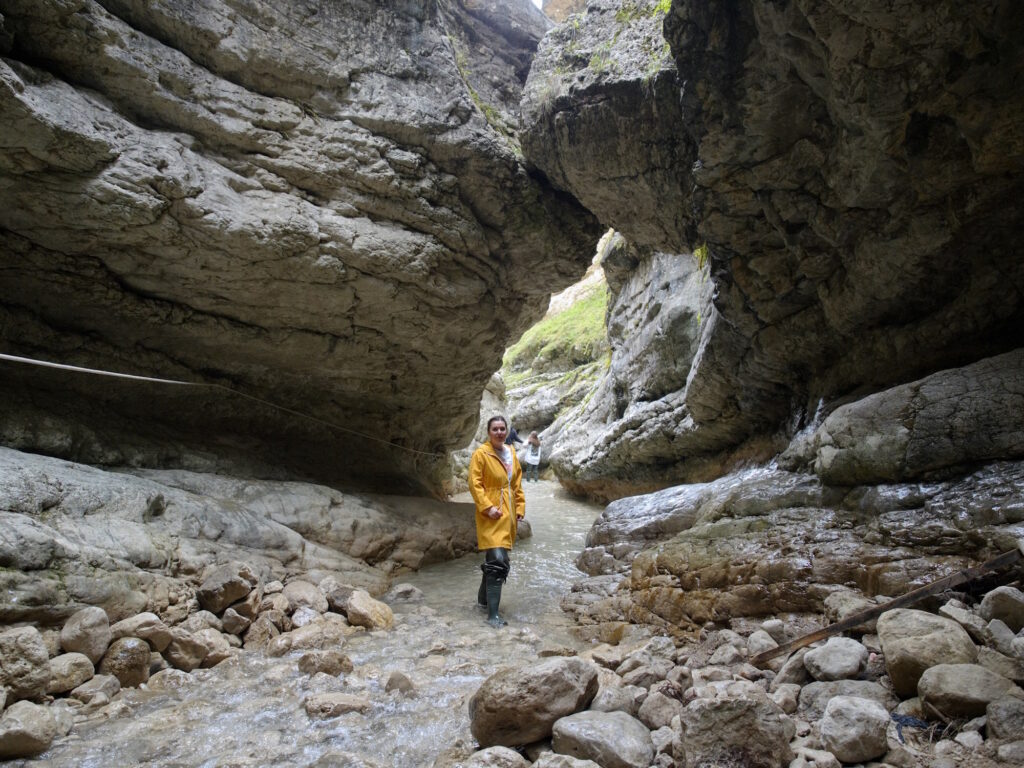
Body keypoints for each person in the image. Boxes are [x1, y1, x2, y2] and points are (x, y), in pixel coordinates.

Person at [469, 415, 525, 627]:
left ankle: (483, 602)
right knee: (498, 561)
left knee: (498, 561)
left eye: (503, 429)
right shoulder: (481, 454)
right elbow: (475, 484)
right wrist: (487, 507)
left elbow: (517, 484)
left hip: (508, 512)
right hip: (490, 513)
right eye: (495, 429)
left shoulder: (511, 452)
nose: (500, 432)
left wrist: (519, 507)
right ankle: (493, 616)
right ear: (489, 432)